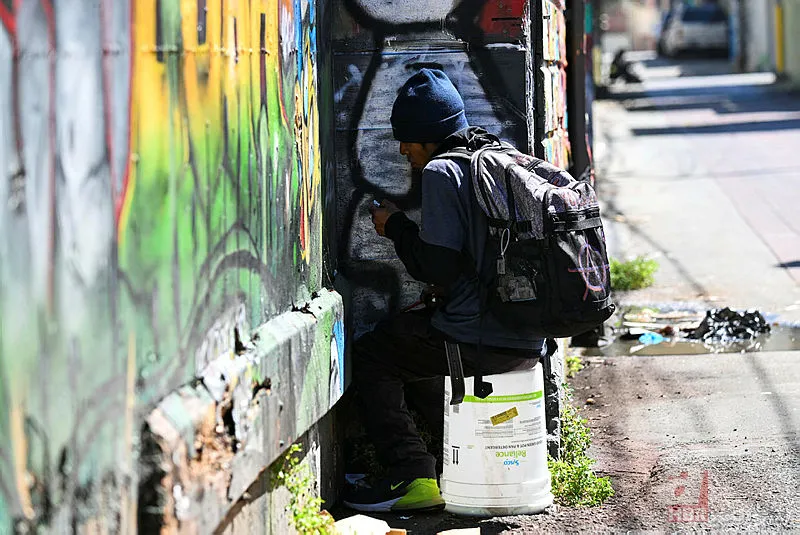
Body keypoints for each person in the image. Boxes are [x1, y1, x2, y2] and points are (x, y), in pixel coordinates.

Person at [343, 69, 548, 513]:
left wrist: (395, 226)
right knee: (414, 344)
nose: (403, 150)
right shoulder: (497, 157)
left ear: (428, 135)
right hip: (527, 338)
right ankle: (455, 465)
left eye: (407, 140)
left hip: (480, 340)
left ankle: (411, 475)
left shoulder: (442, 171)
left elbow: (435, 265)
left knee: (374, 355)